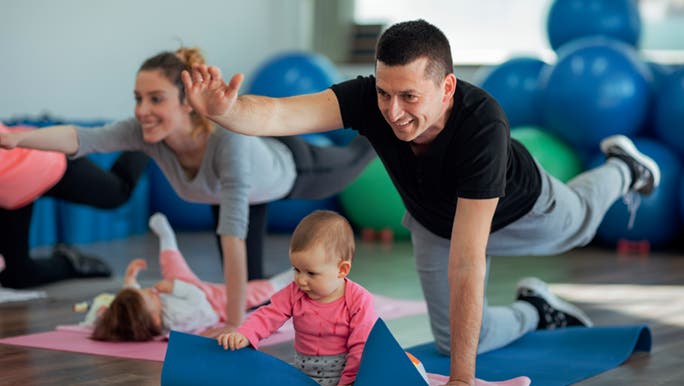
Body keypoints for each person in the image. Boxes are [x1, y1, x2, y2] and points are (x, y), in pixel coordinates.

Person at [181, 19, 661, 386]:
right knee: (450, 337)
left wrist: (461, 379)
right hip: (436, 223)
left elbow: (469, 262)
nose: (393, 111)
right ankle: (537, 310)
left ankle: (623, 168)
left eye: (409, 96)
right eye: (385, 93)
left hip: (525, 208)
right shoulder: (372, 99)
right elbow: (283, 113)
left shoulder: (482, 124)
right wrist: (227, 111)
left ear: (447, 87)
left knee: (580, 222)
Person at [0, 47, 376, 334]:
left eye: (156, 99)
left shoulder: (228, 144)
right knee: (249, 287)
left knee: (359, 154)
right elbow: (81, 138)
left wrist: (232, 327)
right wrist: (16, 141)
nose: (142, 110)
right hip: (231, 193)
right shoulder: (146, 134)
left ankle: (381, 117)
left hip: (294, 169)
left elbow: (233, 240)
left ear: (187, 104)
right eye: (138, 98)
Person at [218, 210, 377, 386]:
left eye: (311, 273)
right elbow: (268, 315)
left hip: (346, 377)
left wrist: (348, 382)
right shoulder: (294, 292)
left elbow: (361, 347)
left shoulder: (359, 300)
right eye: (296, 270)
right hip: (303, 373)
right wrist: (245, 333)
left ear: (342, 270)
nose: (301, 280)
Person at [91, 212, 292, 341]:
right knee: (256, 292)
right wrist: (175, 287)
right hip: (213, 302)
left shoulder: (145, 318)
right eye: (150, 295)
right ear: (154, 317)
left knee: (171, 263)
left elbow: (134, 304)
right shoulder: (177, 317)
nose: (151, 290)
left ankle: (167, 237)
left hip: (185, 290)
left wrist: (130, 280)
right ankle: (290, 277)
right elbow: (198, 300)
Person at [0, 123, 149, 289]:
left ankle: (147, 137)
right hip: (12, 192)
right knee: (17, 275)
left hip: (42, 161)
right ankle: (69, 261)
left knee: (118, 193)